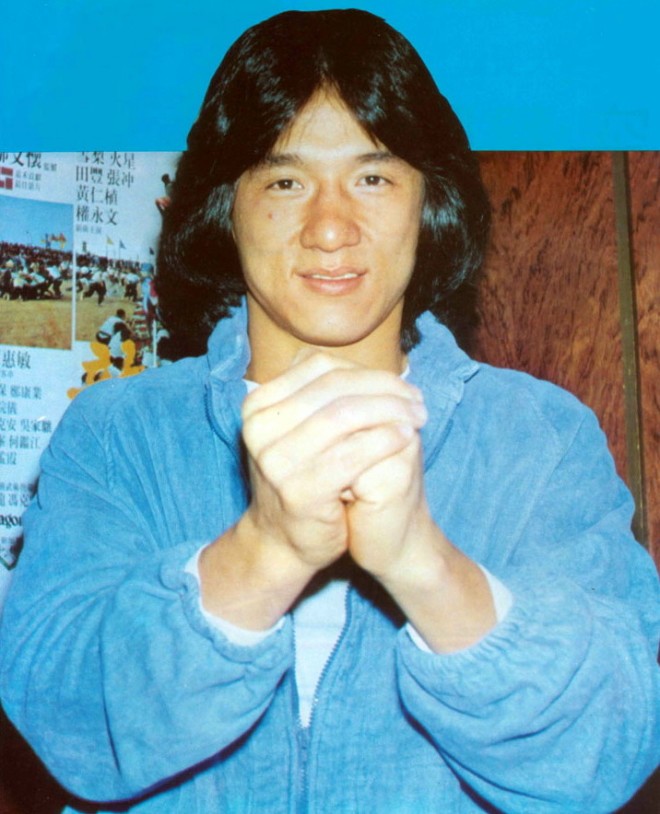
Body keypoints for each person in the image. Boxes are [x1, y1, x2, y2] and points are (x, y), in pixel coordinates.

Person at [0, 9, 658, 814]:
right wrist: (263, 551)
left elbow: (609, 749)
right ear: (225, 207)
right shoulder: (118, 433)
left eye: (373, 178)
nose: (332, 228)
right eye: (285, 181)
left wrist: (422, 561)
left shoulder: (540, 437)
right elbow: (67, 723)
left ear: (429, 202)